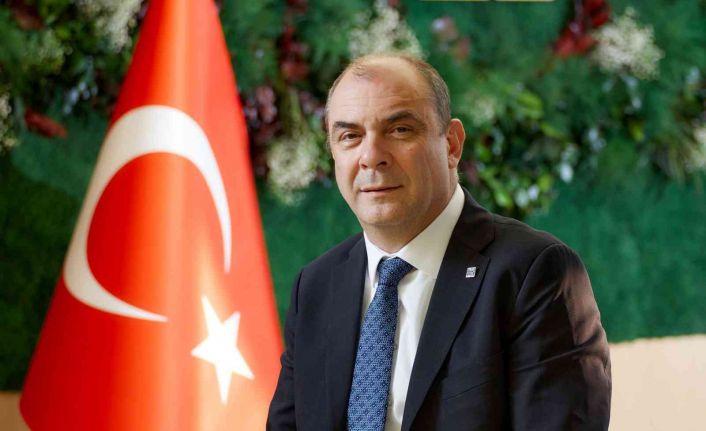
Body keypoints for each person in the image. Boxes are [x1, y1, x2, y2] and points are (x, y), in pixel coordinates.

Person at [267, 53, 611, 431]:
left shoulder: (532, 273)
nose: (371, 157)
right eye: (350, 136)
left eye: (399, 130)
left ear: (452, 144)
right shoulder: (316, 287)